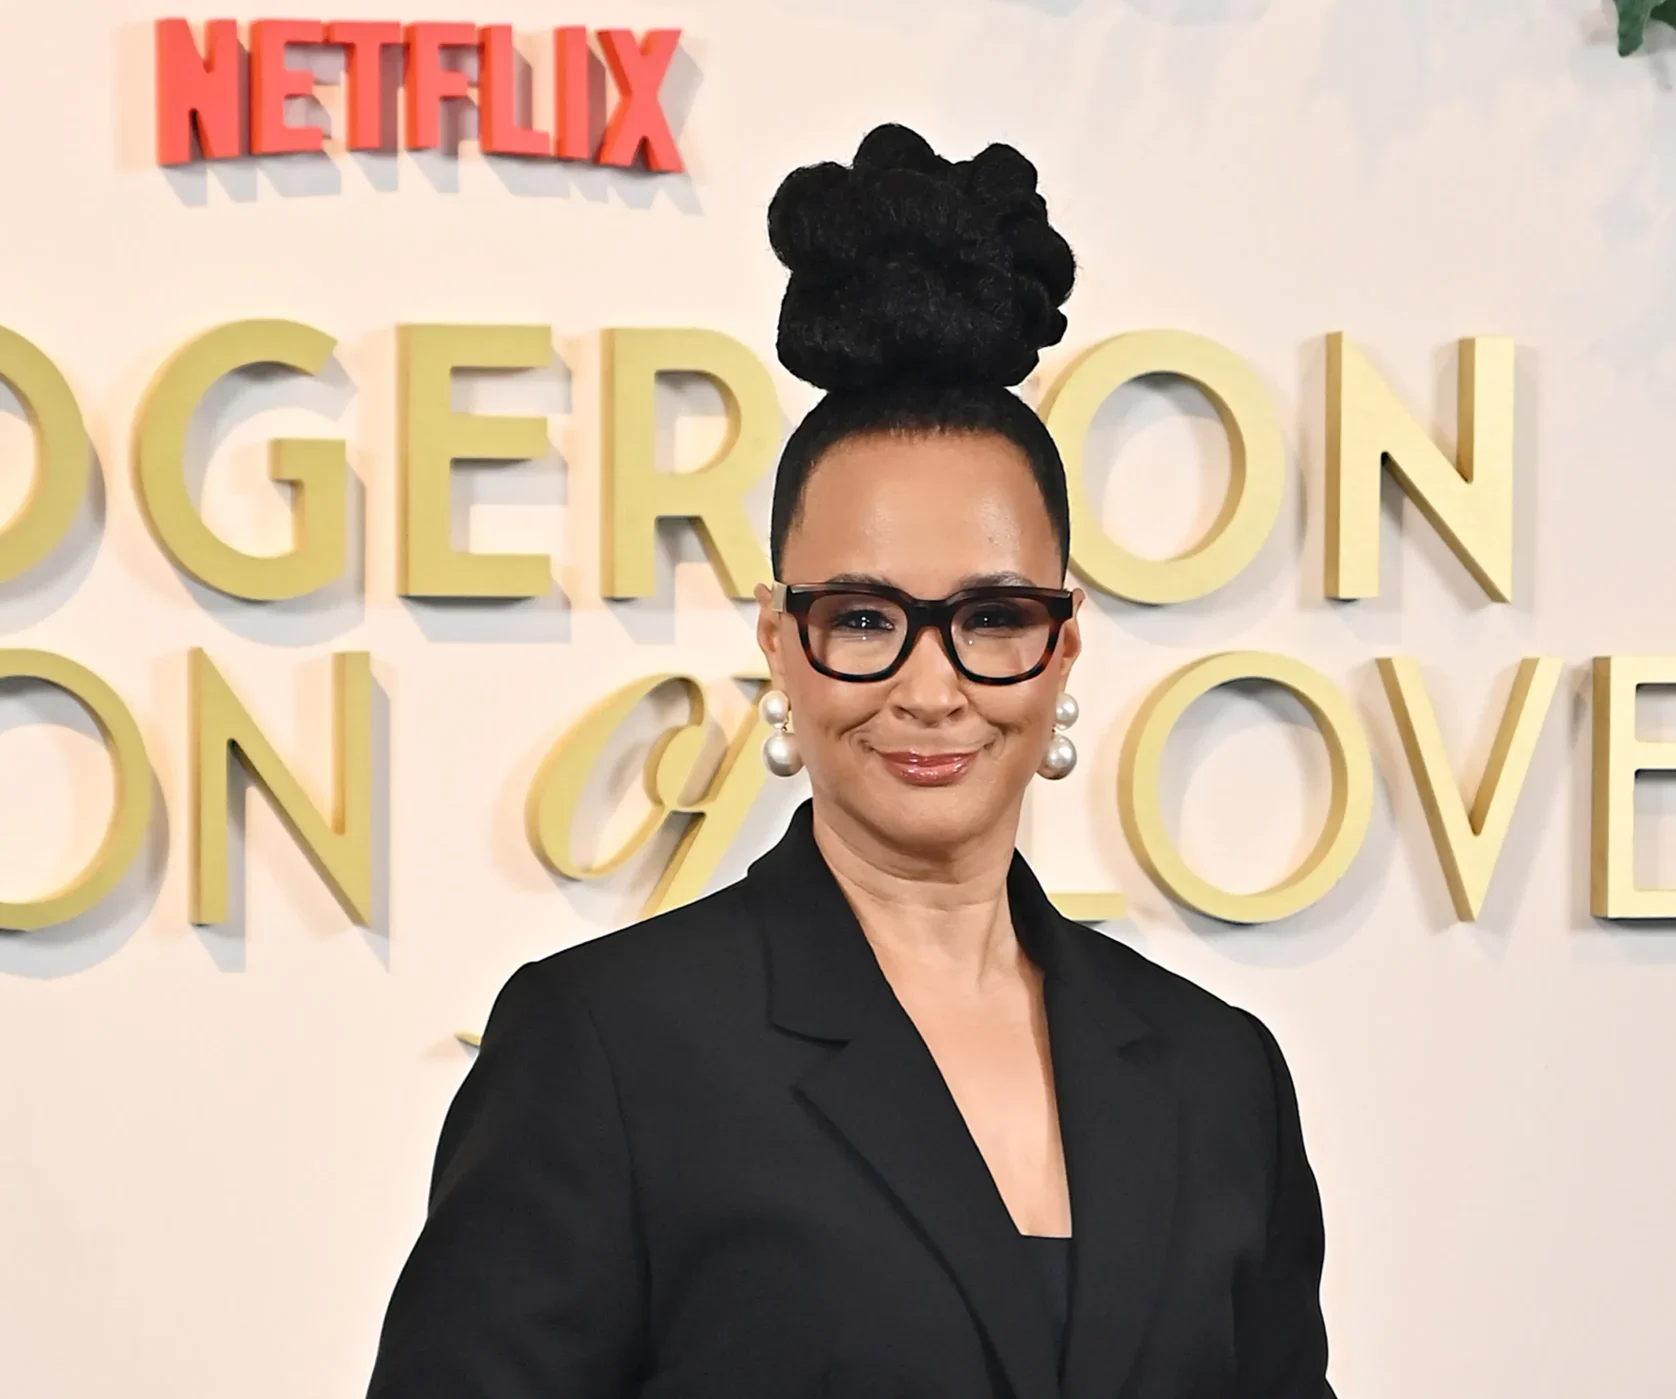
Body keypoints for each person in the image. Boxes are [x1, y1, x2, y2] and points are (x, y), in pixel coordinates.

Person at [365, 123, 1335, 1399]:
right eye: (866, 619)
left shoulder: (1217, 1077)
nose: (929, 689)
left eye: (991, 616)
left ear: (1061, 643)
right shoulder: (611, 1051)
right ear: (780, 638)